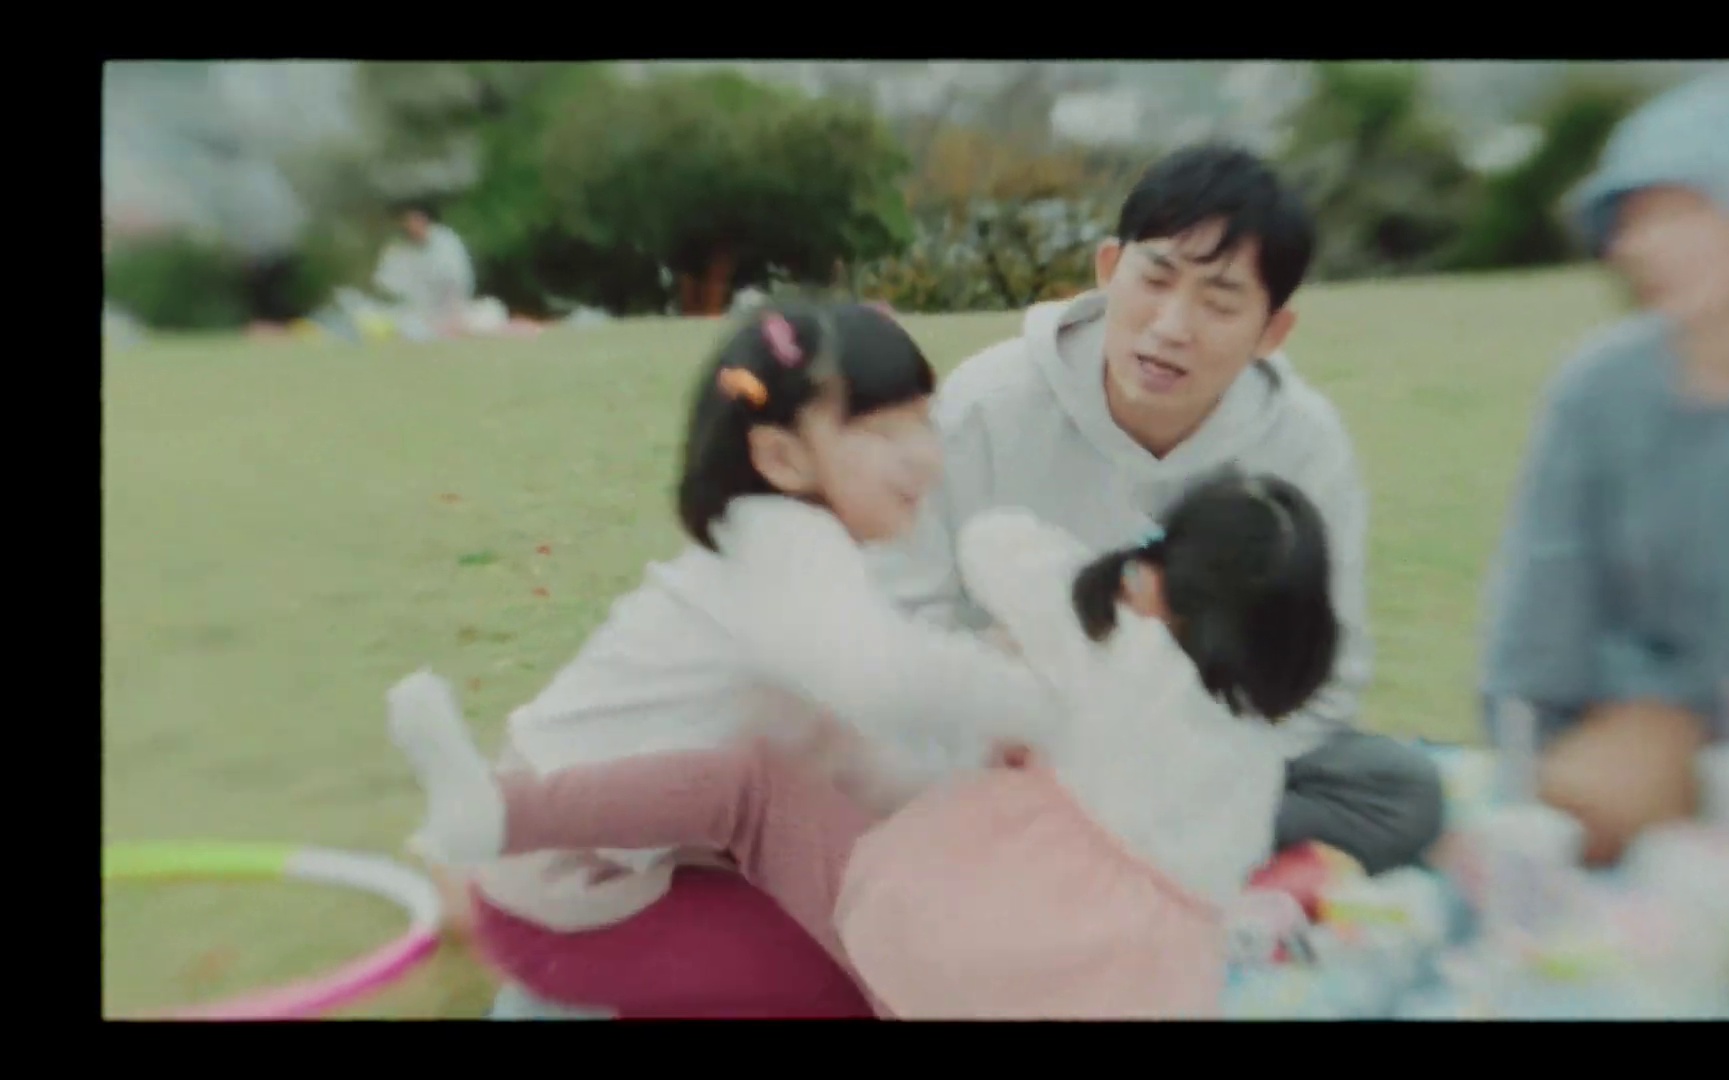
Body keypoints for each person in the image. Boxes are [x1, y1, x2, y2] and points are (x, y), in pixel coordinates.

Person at [392, 470, 1341, 1018]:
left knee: (748, 789)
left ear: (1162, 581)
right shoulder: (1253, 752)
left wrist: (1124, 561)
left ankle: (503, 814)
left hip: (964, 961)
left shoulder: (1118, 652)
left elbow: (997, 544)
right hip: (1112, 993)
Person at [437, 302, 1058, 1019]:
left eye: (924, 421)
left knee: (881, 939)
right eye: (882, 432)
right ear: (781, 458)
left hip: (605, 872)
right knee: (861, 981)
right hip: (568, 898)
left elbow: (849, 763)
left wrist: (973, 781)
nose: (923, 455)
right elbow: (885, 680)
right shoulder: (783, 549)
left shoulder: (793, 569)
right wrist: (1032, 699)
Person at [867, 143, 1444, 876]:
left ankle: (1108, 847)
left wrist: (1179, 759)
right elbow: (904, 617)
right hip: (1019, 743)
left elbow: (1323, 671)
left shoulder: (1304, 442)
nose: (1172, 326)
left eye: (1219, 303)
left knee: (1399, 791)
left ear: (1271, 332)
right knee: (873, 772)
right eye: (1156, 279)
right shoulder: (984, 406)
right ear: (1109, 268)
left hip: (1204, 758)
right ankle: (1125, 851)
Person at [1478, 67, 1729, 866]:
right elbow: (1540, 621)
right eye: (1635, 221)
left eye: (1685, 212)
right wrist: (1537, 767)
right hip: (1643, 745)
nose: (1647, 245)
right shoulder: (1597, 392)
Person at [370, 203, 508, 339]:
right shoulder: (397, 249)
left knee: (492, 311)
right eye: (408, 221)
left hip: (451, 310)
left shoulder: (446, 241)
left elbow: (457, 280)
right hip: (414, 313)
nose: (412, 226)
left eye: (416, 220)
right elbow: (386, 284)